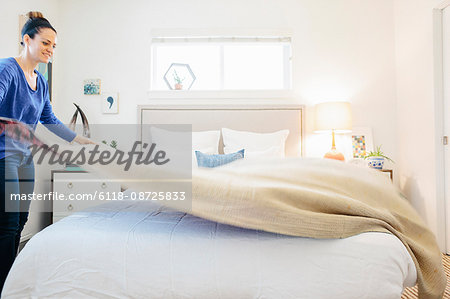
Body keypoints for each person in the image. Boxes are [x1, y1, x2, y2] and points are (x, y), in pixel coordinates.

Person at [0, 11, 94, 292]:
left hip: (25, 157)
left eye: (54, 46)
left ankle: (11, 274)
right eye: (45, 43)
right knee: (7, 224)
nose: (50, 50)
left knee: (21, 221)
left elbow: (49, 119)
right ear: (26, 39)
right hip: (4, 155)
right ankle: (5, 284)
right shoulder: (7, 69)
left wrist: (80, 140)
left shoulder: (40, 82)